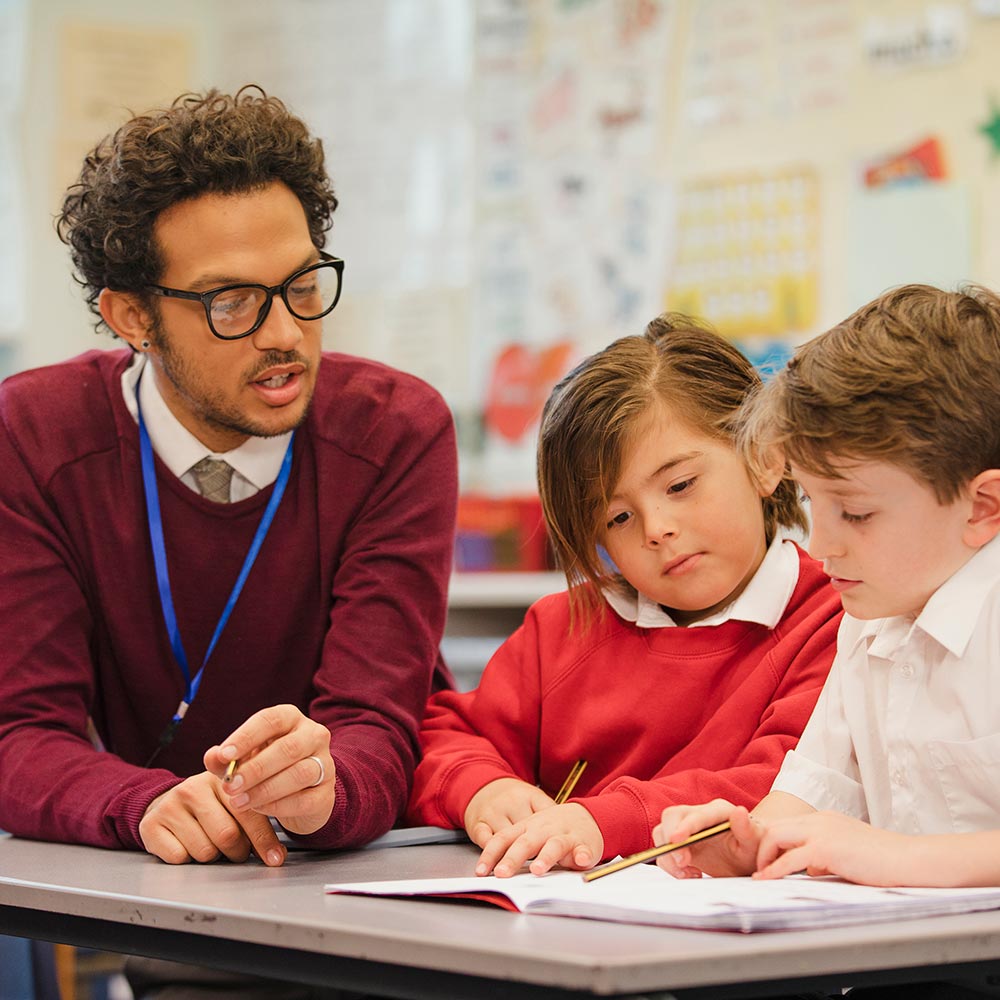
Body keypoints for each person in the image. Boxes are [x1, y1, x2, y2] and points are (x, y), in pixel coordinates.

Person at [0, 86, 457, 998]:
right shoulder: (35, 438)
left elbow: (377, 722)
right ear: (132, 317)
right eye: (232, 302)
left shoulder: (395, 431)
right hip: (175, 900)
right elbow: (20, 734)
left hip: (369, 897)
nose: (286, 334)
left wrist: (325, 783)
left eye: (302, 285)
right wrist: (145, 803)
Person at [653, 284, 1000, 999]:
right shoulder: (870, 617)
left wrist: (895, 857)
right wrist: (747, 842)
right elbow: (813, 797)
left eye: (857, 512)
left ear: (983, 507)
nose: (822, 543)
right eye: (814, 501)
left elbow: (879, 853)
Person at [405, 314, 842, 878]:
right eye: (618, 517)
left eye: (680, 485)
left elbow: (792, 784)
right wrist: (483, 789)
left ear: (763, 457)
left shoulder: (834, 616)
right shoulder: (564, 627)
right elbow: (447, 737)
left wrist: (604, 820)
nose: (656, 529)